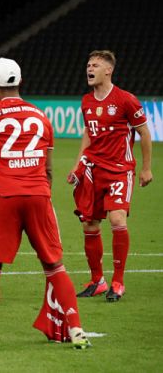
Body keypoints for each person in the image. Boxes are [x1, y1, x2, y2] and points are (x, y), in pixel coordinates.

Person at [0, 9, 89, 350]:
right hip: (39, 195)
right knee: (54, 265)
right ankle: (77, 329)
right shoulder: (42, 116)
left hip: (5, 197)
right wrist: (41, 192)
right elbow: (50, 168)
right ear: (20, 82)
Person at [68, 50, 153, 301]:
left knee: (117, 220)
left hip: (119, 170)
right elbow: (88, 133)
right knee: (89, 224)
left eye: (94, 64)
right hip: (94, 171)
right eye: (88, 64)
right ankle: (98, 281)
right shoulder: (86, 101)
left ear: (108, 70)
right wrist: (77, 165)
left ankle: (118, 282)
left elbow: (145, 134)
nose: (89, 68)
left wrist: (146, 168)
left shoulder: (126, 100)